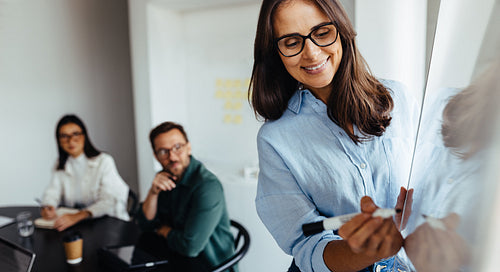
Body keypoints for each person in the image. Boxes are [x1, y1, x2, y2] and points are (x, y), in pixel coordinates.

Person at [250, 0, 418, 271]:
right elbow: (304, 243)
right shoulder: (275, 139)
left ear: (341, 29)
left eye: (322, 32)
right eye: (292, 42)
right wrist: (359, 252)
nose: (312, 53)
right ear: (276, 53)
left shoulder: (399, 98)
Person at [135, 122, 235, 272]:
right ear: (156, 156)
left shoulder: (207, 186)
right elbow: (145, 225)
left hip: (210, 266)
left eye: (177, 147)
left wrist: (163, 230)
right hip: (175, 259)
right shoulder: (165, 177)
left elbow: (190, 247)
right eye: (163, 151)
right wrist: (153, 193)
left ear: (188, 147)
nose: (172, 157)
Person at [40, 114, 130, 231]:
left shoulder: (104, 161)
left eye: (75, 134)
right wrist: (48, 206)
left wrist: (79, 216)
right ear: (58, 140)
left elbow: (109, 201)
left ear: (84, 135)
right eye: (64, 136)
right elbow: (52, 191)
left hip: (109, 224)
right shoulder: (60, 164)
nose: (71, 140)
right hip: (83, 226)